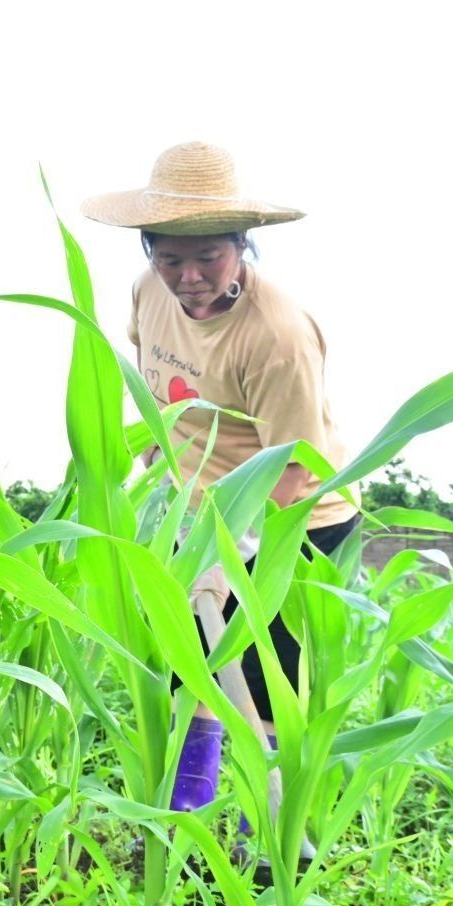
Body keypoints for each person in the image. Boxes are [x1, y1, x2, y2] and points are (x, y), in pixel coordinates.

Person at [82, 142, 359, 830]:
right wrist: (158, 491)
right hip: (194, 516)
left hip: (294, 522)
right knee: (192, 671)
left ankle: (268, 841)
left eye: (208, 257)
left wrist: (236, 560)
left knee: (265, 683)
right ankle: (192, 826)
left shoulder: (278, 338)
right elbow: (158, 396)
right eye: (170, 258)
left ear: (242, 246)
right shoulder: (150, 292)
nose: (190, 277)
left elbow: (293, 468)